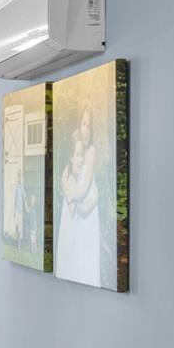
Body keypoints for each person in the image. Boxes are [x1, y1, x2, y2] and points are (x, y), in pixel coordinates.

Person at [53, 105, 101, 285]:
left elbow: (85, 189)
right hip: (73, 216)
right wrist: (68, 196)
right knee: (71, 257)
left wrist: (72, 199)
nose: (86, 130)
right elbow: (63, 178)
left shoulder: (91, 152)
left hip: (86, 217)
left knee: (85, 262)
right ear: (78, 125)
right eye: (84, 124)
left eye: (89, 125)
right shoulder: (75, 150)